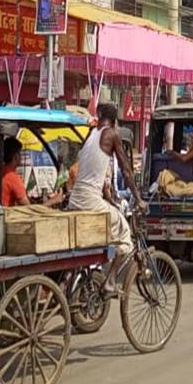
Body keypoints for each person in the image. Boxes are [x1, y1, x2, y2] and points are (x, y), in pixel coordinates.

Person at [67, 103, 142, 293]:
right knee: (125, 237)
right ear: (115, 121)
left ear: (99, 116)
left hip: (75, 199)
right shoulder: (111, 134)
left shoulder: (90, 134)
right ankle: (110, 282)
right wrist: (138, 199)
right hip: (90, 201)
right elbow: (126, 169)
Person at [0, 137, 31, 207]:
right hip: (7, 215)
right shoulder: (12, 177)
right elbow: (28, 207)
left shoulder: (1, 171)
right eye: (20, 153)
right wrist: (53, 201)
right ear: (16, 156)